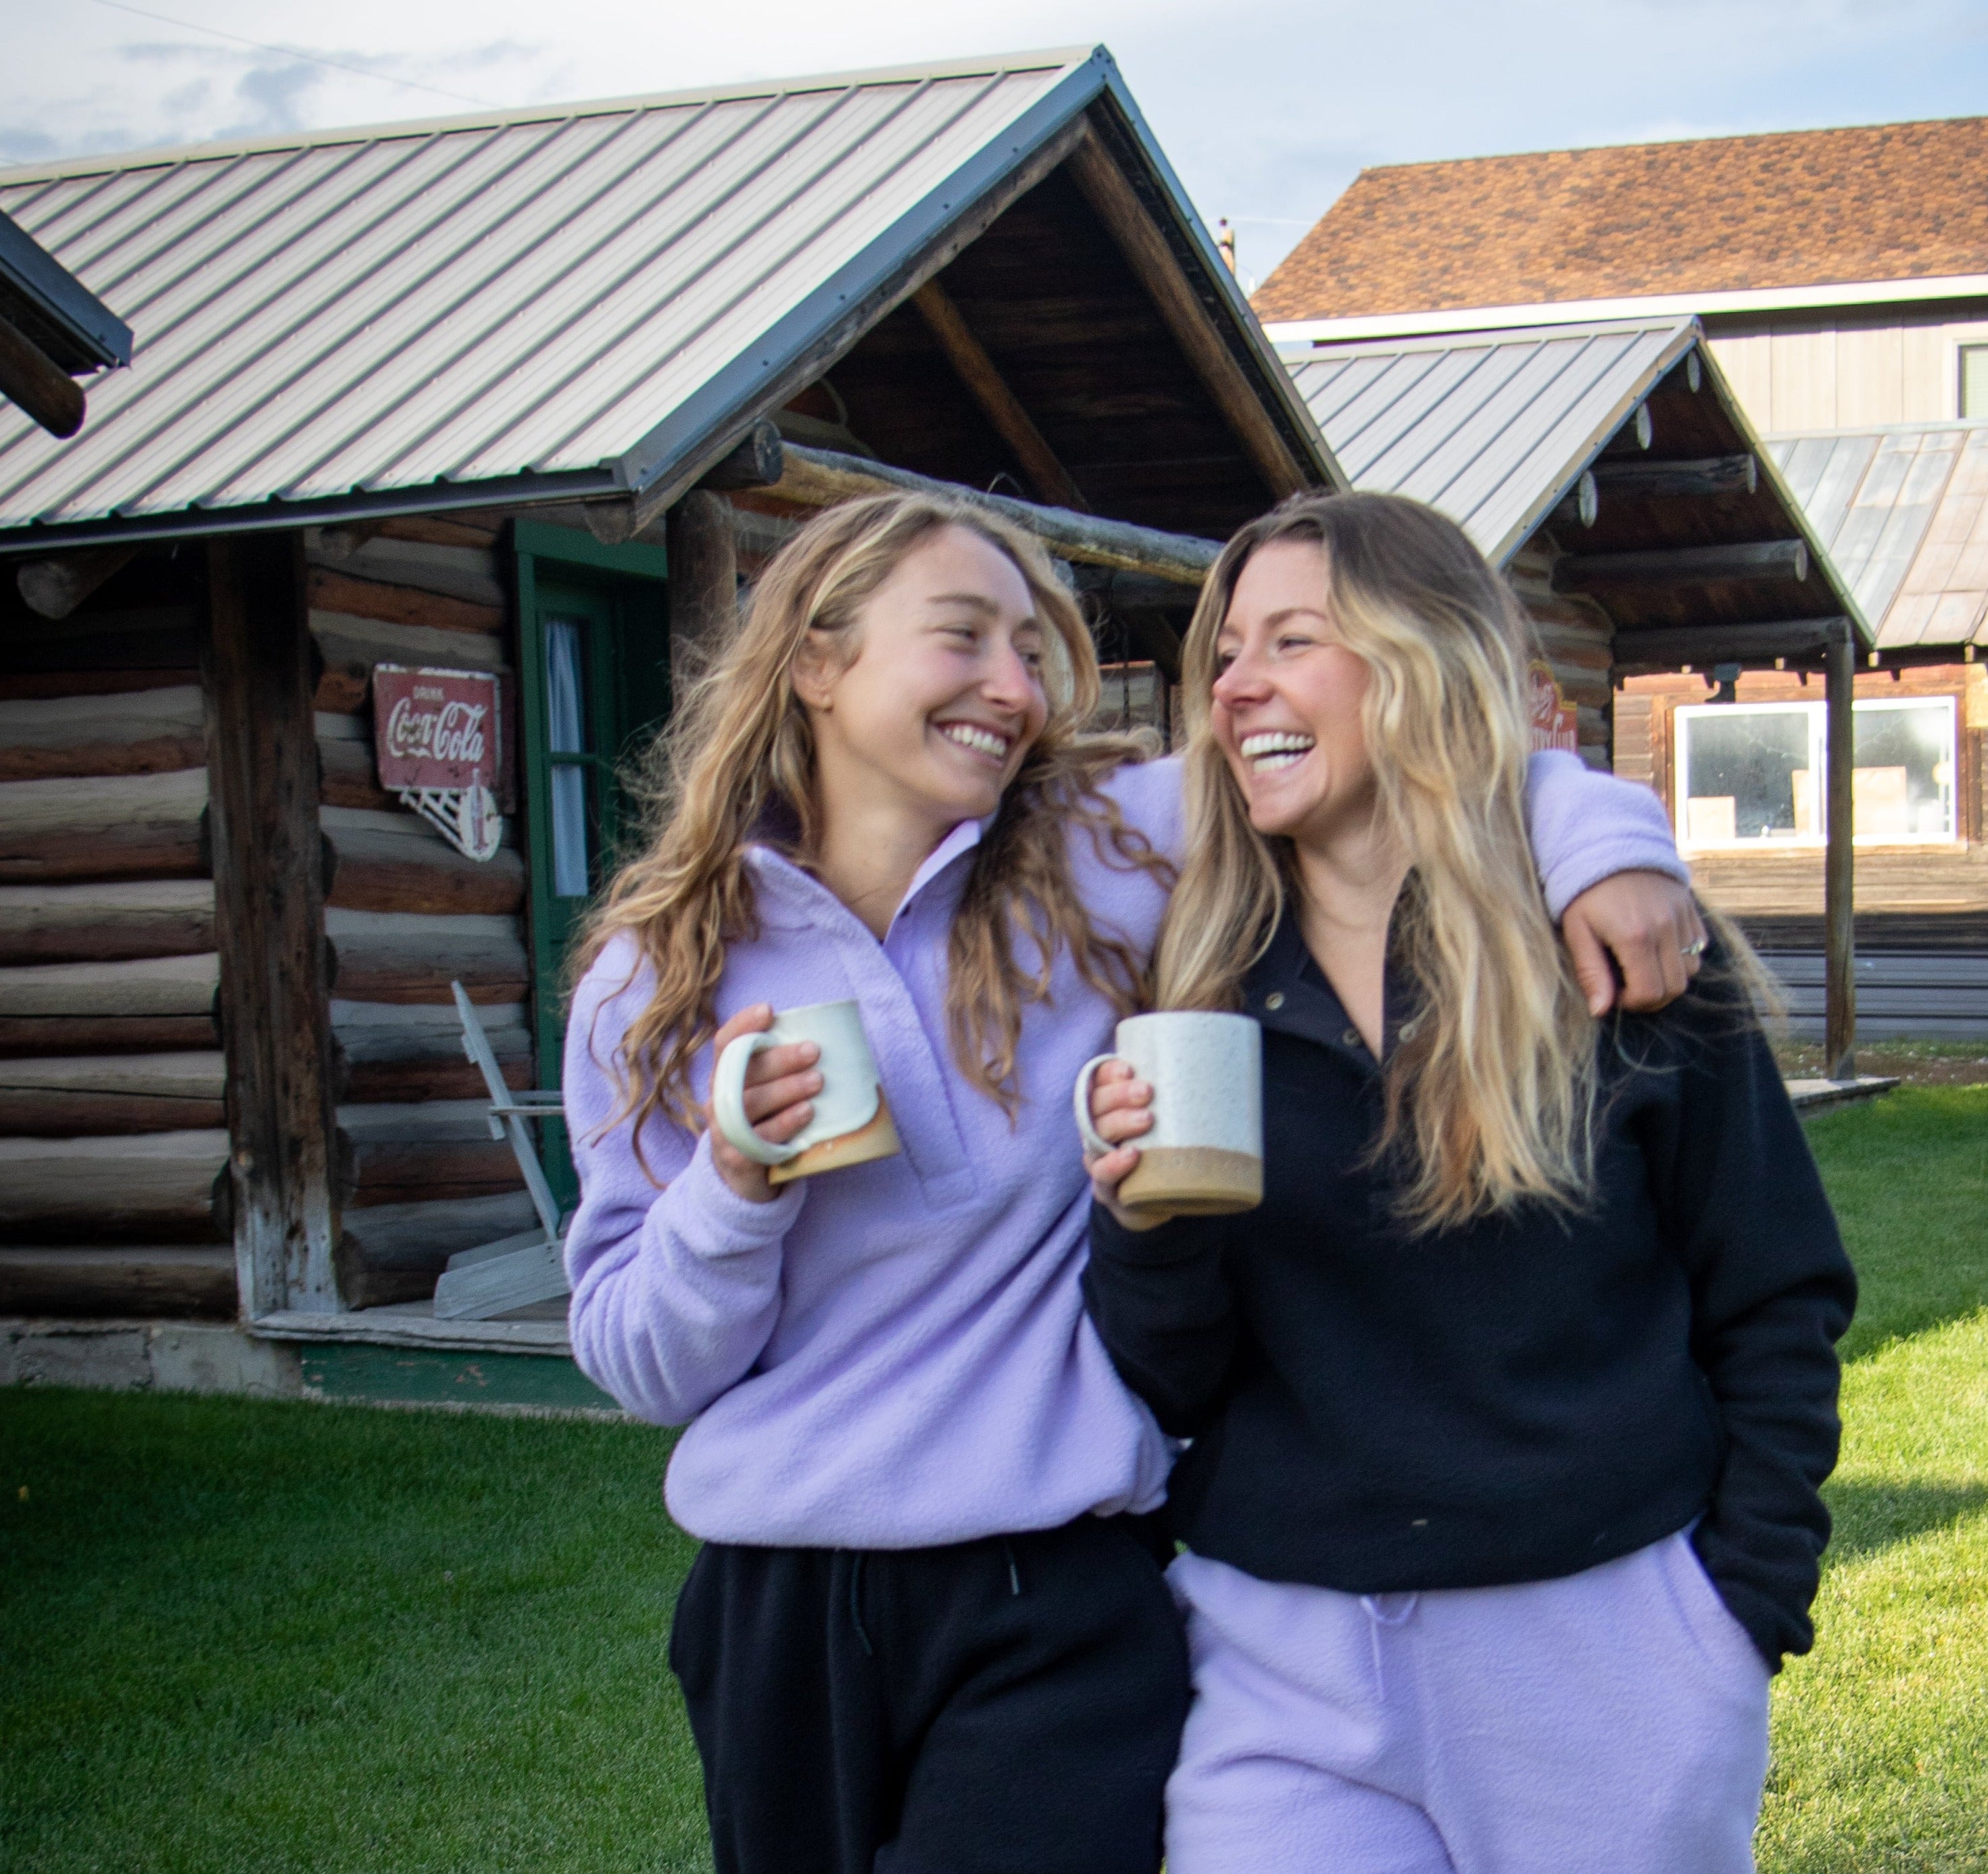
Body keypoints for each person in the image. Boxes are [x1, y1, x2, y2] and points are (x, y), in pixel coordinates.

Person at [558, 488, 1703, 1874]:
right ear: (815, 660)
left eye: (1031, 648)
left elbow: (1400, 745)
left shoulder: (1100, 853)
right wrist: (730, 1191)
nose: (1014, 685)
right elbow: (642, 1362)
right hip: (777, 1613)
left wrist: (1605, 841)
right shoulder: (654, 974)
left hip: (1060, 1588)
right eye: (963, 638)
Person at [1082, 491, 1858, 1874]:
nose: (1236, 684)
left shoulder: (1632, 959)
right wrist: (1141, 1232)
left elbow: (1776, 1296)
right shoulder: (1190, 986)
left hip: (1605, 1651)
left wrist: (1736, 1610)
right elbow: (1176, 1379)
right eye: (1226, 654)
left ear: (1421, 658)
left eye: (1293, 640)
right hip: (1283, 1664)